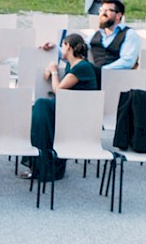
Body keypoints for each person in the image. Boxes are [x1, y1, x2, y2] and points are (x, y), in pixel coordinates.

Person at [25, 34, 99, 182]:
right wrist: (49, 69)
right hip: (70, 108)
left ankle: (43, 163)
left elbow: (59, 90)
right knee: (39, 109)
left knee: (41, 105)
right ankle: (41, 162)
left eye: (63, 46)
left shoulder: (82, 67)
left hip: (79, 113)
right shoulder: (73, 64)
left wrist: (53, 72)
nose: (61, 50)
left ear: (69, 47)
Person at [87, 0, 140, 73]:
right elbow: (79, 49)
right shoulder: (94, 35)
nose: (103, 13)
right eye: (101, 10)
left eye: (108, 10)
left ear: (118, 15)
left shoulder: (129, 33)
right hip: (95, 78)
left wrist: (102, 70)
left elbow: (128, 61)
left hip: (118, 78)